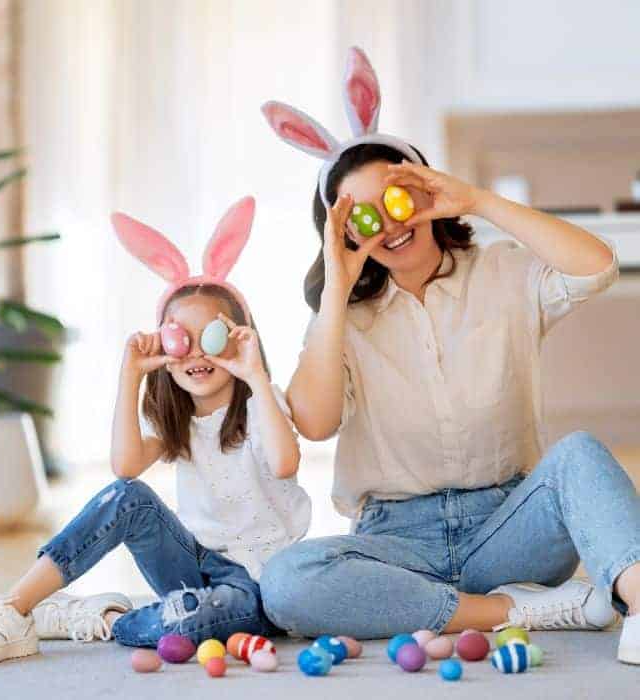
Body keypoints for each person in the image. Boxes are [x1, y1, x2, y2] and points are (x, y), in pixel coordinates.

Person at [259, 47, 640, 665]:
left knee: (580, 457)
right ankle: (512, 611)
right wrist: (334, 285)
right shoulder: (340, 321)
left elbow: (597, 266)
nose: (388, 223)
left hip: (510, 528)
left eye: (398, 199)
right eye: (362, 218)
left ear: (428, 189)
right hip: (396, 541)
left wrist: (481, 201)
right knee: (286, 582)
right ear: (343, 234)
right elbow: (316, 421)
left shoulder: (503, 272)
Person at [0, 197, 310, 665]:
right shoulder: (178, 417)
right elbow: (125, 468)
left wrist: (255, 375)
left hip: (256, 586)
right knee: (126, 496)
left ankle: (106, 618)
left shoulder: (262, 400)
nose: (197, 353)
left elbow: (284, 463)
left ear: (239, 337)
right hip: (192, 563)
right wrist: (131, 374)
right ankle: (14, 608)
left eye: (212, 337)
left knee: (206, 619)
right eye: (181, 339)